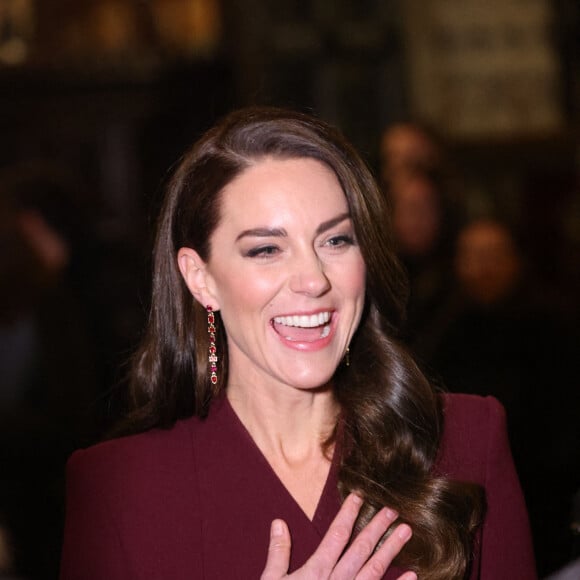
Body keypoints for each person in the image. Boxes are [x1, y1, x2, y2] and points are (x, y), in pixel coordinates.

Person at [59, 107, 536, 579]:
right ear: (200, 278)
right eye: (266, 249)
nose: (313, 279)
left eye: (335, 241)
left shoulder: (468, 440)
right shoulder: (119, 488)